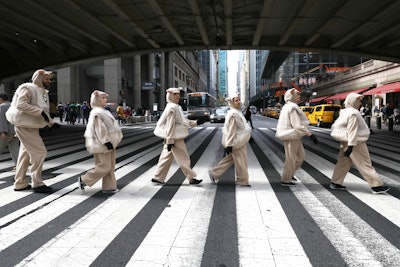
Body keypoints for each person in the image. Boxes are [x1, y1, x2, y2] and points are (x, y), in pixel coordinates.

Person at [5, 69, 56, 193]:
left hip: (31, 126)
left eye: (49, 79)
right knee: (40, 152)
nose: (49, 81)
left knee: (25, 155)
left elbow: (42, 111)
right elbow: (21, 105)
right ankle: (37, 182)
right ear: (38, 78)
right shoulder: (27, 88)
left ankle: (20, 183)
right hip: (24, 125)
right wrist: (41, 113)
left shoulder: (41, 91)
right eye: (46, 79)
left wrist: (50, 122)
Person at [330, 93, 389, 194]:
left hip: (345, 141)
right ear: (353, 101)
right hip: (355, 142)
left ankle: (335, 182)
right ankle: (376, 185)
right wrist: (351, 146)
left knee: (343, 163)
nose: (360, 103)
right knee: (365, 163)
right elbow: (352, 130)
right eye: (359, 101)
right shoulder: (353, 113)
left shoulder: (345, 112)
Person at [152, 87, 202, 185]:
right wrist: (170, 140)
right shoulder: (173, 107)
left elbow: (182, 122)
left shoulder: (173, 106)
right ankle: (191, 178)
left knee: (165, 157)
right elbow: (170, 125)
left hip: (172, 137)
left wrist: (195, 123)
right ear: (170, 96)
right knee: (184, 158)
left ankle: (157, 177)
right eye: (175, 94)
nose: (178, 96)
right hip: (174, 137)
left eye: (178, 94)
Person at [78, 90, 123, 194]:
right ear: (96, 100)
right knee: (104, 166)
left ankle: (109, 187)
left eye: (105, 98)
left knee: (110, 166)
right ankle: (84, 179)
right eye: (103, 98)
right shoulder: (98, 113)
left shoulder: (102, 111)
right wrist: (107, 142)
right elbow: (100, 129)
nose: (105, 100)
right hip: (103, 145)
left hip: (108, 144)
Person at [275, 88, 318, 186]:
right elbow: (297, 125)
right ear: (292, 96)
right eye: (297, 94)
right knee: (291, 158)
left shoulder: (289, 107)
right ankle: (286, 179)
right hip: (291, 135)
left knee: (300, 156)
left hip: (294, 136)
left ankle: (290, 174)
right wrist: (310, 134)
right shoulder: (292, 107)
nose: (299, 96)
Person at [208, 94, 252, 186]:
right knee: (241, 161)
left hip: (238, 140)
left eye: (239, 100)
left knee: (230, 159)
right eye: (236, 100)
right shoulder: (233, 114)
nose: (239, 102)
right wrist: (229, 144)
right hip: (237, 141)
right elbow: (231, 130)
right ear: (232, 103)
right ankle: (242, 180)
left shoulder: (236, 112)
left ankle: (214, 173)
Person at [0, 93, 19, 168]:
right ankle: (18, 166)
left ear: (1, 99)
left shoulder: (2, 106)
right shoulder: (14, 105)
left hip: (6, 132)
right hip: (15, 131)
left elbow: (1, 120)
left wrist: (2, 132)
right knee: (15, 149)